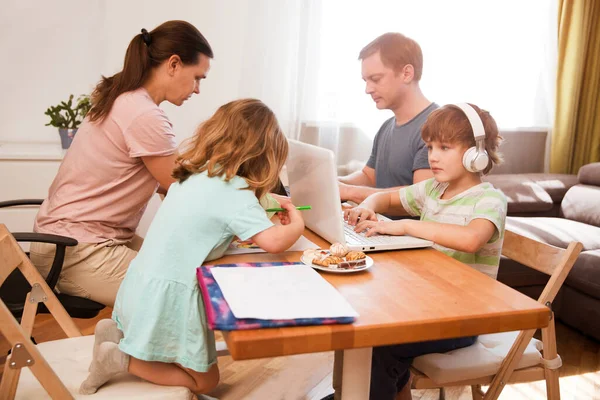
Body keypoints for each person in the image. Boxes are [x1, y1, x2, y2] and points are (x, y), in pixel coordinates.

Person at [79, 99, 305, 395]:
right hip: (169, 300)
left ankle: (115, 333)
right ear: (264, 155)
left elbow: (206, 224)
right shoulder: (237, 193)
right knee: (206, 382)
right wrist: (297, 221)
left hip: (139, 285)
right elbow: (275, 243)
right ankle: (118, 359)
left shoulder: (193, 177)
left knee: (179, 360)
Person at [30, 20, 213, 307]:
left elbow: (173, 184)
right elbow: (181, 188)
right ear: (174, 64)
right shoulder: (143, 114)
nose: (198, 89)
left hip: (70, 242)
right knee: (184, 293)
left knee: (187, 265)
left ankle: (118, 343)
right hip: (76, 251)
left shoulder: (124, 99)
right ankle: (127, 351)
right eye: (198, 77)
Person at [345, 103, 507, 400]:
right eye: (430, 147)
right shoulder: (433, 189)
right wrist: (367, 207)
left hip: (462, 319)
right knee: (364, 318)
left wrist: (407, 226)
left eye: (445, 147)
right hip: (425, 305)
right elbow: (385, 197)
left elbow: (471, 239)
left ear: (476, 153)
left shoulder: (488, 200)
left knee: (376, 344)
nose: (433, 156)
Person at [338, 32, 438, 205]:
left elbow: (419, 197)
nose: (368, 89)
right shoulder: (387, 127)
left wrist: (349, 192)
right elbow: (369, 177)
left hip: (411, 232)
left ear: (407, 73)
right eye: (365, 81)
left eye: (375, 79)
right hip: (378, 227)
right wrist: (334, 183)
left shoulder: (437, 127)